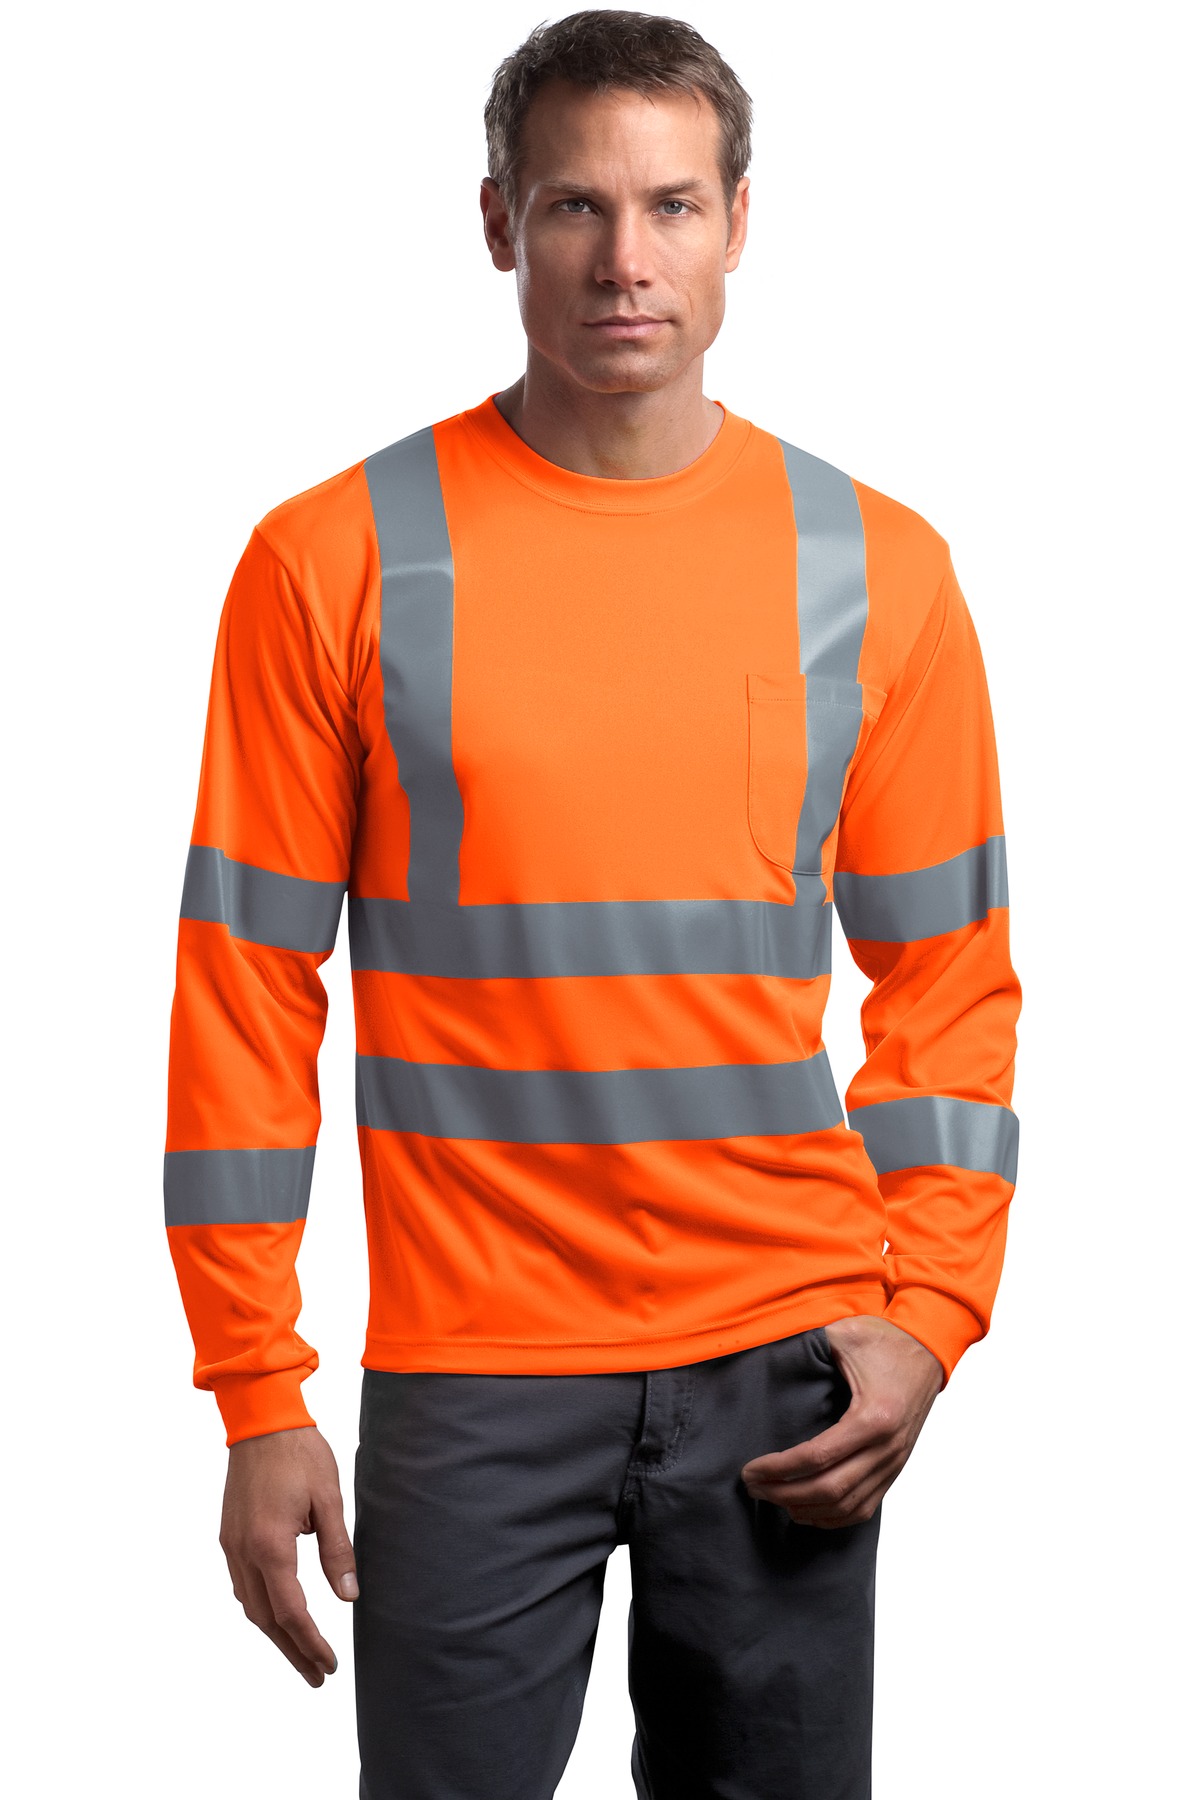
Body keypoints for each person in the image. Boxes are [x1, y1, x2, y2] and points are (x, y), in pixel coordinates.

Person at [163, 10, 1022, 1797]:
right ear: (497, 220)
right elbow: (246, 989)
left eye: (672, 205)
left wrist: (932, 1312)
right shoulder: (333, 559)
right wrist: (254, 1385)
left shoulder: (879, 568)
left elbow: (948, 980)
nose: (626, 260)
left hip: (791, 1362)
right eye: (574, 205)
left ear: (739, 222)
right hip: (474, 1367)